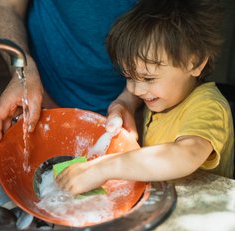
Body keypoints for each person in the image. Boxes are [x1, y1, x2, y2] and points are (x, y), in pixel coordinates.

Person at [56, 0, 234, 195]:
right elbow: (135, 92)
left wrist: (103, 168)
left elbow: (186, 154)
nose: (137, 89)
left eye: (148, 78)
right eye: (128, 77)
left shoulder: (209, 107)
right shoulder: (163, 95)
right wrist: (124, 103)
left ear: (196, 62)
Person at [0, 0, 141, 146]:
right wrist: (22, 71)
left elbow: (159, 32)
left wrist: (129, 100)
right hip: (43, 97)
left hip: (131, 105)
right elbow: (7, 6)